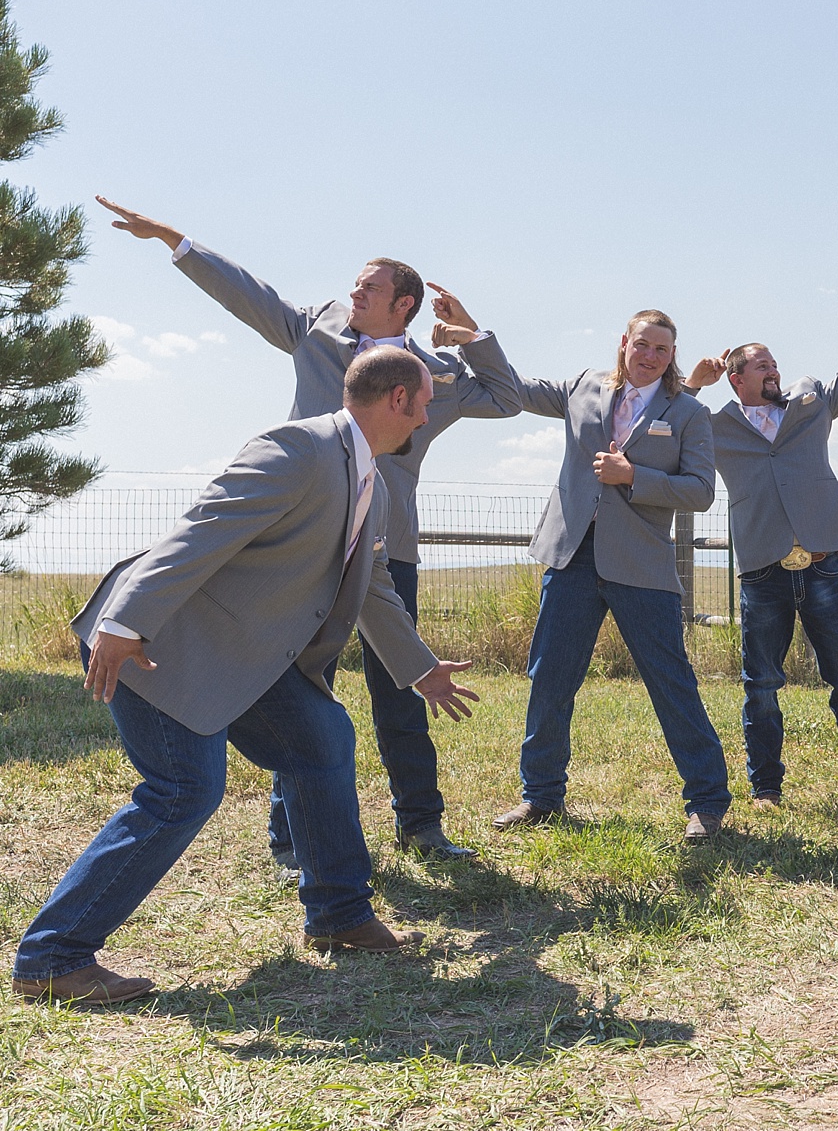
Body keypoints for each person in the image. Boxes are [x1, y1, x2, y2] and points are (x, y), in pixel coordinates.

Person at [12, 348, 481, 1004]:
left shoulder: (369, 479)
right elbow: (203, 528)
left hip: (246, 652)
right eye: (426, 401)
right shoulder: (301, 448)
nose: (429, 415)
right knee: (183, 789)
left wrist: (421, 669)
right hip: (166, 639)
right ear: (399, 399)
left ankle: (340, 915)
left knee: (322, 739)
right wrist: (127, 618)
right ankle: (53, 957)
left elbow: (371, 587)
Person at [99, 197, 521, 866]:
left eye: (369, 286)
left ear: (404, 304)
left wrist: (471, 335)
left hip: (382, 552)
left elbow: (507, 396)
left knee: (403, 690)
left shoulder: (435, 377)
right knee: (294, 687)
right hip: (297, 553)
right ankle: (291, 839)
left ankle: (421, 824)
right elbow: (249, 296)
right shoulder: (315, 330)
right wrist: (177, 243)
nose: (353, 291)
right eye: (354, 282)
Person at [469, 310, 732, 839]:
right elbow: (515, 388)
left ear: (672, 355)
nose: (651, 356)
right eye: (643, 345)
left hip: (640, 563)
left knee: (671, 682)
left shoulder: (687, 413)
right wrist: (476, 338)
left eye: (662, 349)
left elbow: (701, 491)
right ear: (624, 343)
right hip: (571, 556)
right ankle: (540, 796)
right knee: (550, 678)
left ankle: (706, 802)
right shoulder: (582, 386)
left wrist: (635, 475)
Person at [678, 263, 838, 810]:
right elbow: (672, 419)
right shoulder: (713, 426)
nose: (774, 371)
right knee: (761, 685)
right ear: (737, 379)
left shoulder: (810, 402)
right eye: (761, 366)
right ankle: (766, 790)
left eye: (775, 364)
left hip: (823, 565)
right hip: (761, 570)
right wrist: (694, 382)